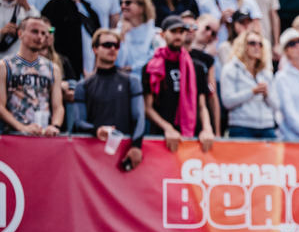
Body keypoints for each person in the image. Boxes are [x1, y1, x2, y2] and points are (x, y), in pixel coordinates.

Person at [73, 28, 145, 171]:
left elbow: (139, 117)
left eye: (116, 45)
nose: (112, 48)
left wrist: (136, 146)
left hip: (123, 155)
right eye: (107, 45)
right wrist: (96, 130)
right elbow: (78, 121)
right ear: (95, 49)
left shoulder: (131, 81)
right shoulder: (83, 85)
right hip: (92, 157)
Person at [143, 15, 215, 152]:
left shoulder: (197, 67)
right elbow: (148, 108)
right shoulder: (152, 67)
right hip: (162, 137)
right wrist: (168, 128)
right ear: (163, 34)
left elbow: (202, 105)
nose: (178, 36)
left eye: (181, 31)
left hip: (192, 137)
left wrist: (207, 129)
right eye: (173, 31)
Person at [0, 16, 63, 135]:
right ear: (20, 34)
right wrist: (21, 127)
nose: (40, 37)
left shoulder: (52, 69)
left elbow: (58, 106)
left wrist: (55, 125)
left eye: (43, 33)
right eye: (34, 31)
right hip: (15, 135)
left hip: (44, 134)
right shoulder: (3, 66)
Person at [41, 0, 99, 77]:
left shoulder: (91, 11)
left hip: (91, 77)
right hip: (64, 74)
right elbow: (46, 35)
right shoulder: (55, 6)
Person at [220, 29, 276, 139]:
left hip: (266, 126)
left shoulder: (266, 72)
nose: (257, 47)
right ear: (242, 45)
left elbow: (277, 105)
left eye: (260, 44)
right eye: (252, 43)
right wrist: (252, 92)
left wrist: (266, 95)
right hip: (241, 126)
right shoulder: (231, 69)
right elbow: (227, 101)